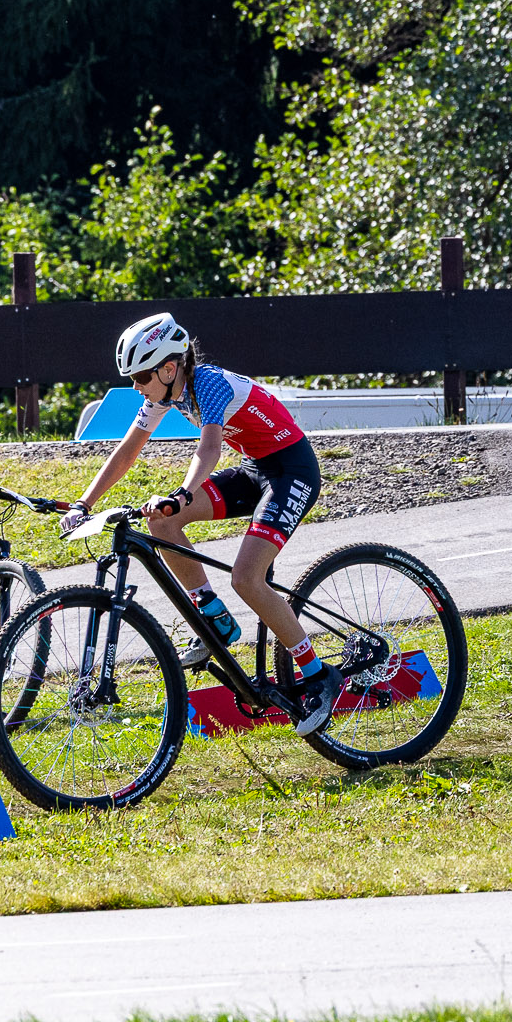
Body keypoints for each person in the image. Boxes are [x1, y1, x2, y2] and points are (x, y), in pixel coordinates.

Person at [59, 313, 342, 734]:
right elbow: (128, 449)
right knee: (162, 523)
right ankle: (215, 619)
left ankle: (318, 674)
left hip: (292, 471)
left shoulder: (207, 382)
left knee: (247, 579)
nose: (136, 386)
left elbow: (209, 449)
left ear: (169, 368)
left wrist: (183, 493)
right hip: (256, 469)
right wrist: (83, 502)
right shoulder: (165, 393)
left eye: (141, 376)